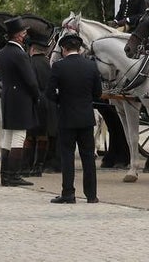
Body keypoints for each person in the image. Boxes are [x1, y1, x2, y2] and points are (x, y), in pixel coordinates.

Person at [46, 33, 102, 204]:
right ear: (79, 49)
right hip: (86, 117)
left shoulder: (58, 67)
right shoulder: (90, 66)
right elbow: (98, 93)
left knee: (67, 156)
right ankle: (91, 195)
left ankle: (68, 193)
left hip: (67, 117)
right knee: (88, 158)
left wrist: (61, 101)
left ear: (63, 49)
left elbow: (49, 93)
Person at [0, 17, 40, 187]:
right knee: (19, 136)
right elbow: (30, 80)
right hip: (21, 98)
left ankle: (5, 175)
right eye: (23, 32)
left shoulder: (4, 53)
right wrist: (36, 95)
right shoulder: (19, 54)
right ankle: (13, 175)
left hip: (8, 96)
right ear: (17, 36)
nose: (25, 35)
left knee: (8, 136)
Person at [24, 34, 57, 176]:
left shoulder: (28, 63)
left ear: (32, 49)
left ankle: (26, 165)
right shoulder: (49, 64)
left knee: (29, 136)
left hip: (32, 103)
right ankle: (39, 166)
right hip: (47, 103)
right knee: (43, 136)